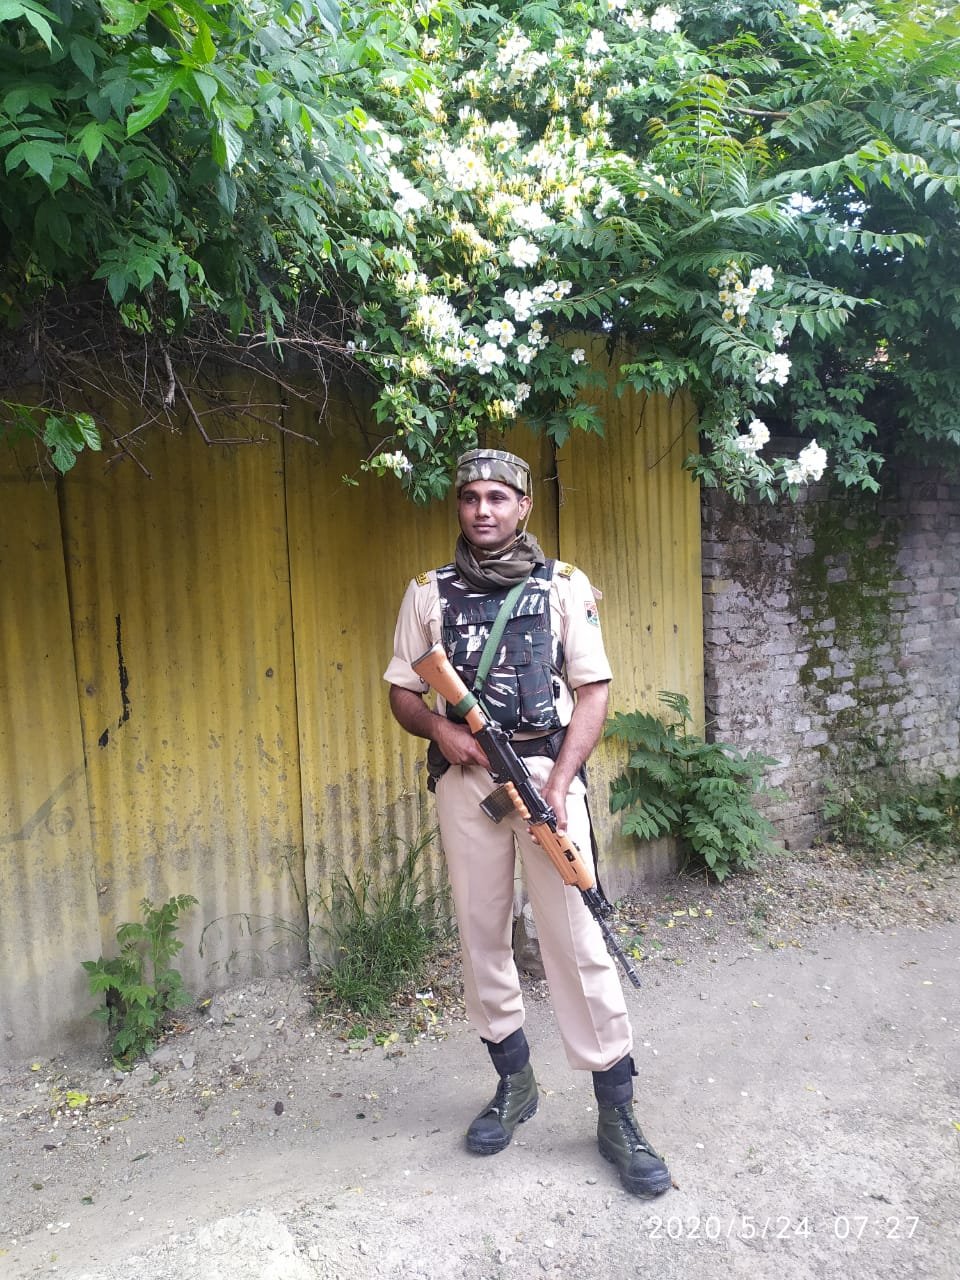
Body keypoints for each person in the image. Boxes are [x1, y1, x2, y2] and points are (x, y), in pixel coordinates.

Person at [383, 447, 671, 1197]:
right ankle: (514, 1083)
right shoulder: (428, 594)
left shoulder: (563, 586)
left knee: (577, 940)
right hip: (466, 782)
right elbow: (404, 691)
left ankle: (617, 1114)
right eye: (470, 497)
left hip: (545, 778)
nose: (482, 510)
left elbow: (594, 690)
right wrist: (441, 732)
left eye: (498, 498)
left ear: (523, 507)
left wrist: (561, 782)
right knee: (482, 932)